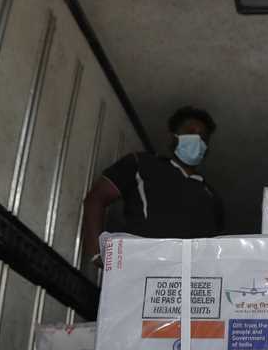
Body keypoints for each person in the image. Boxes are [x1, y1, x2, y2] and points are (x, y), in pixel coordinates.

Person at [80, 105, 224, 270]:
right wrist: (97, 253)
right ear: (174, 136)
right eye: (191, 132)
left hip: (190, 277)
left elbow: (215, 247)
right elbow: (96, 199)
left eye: (203, 138)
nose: (197, 140)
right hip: (142, 269)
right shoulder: (142, 164)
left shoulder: (212, 196)